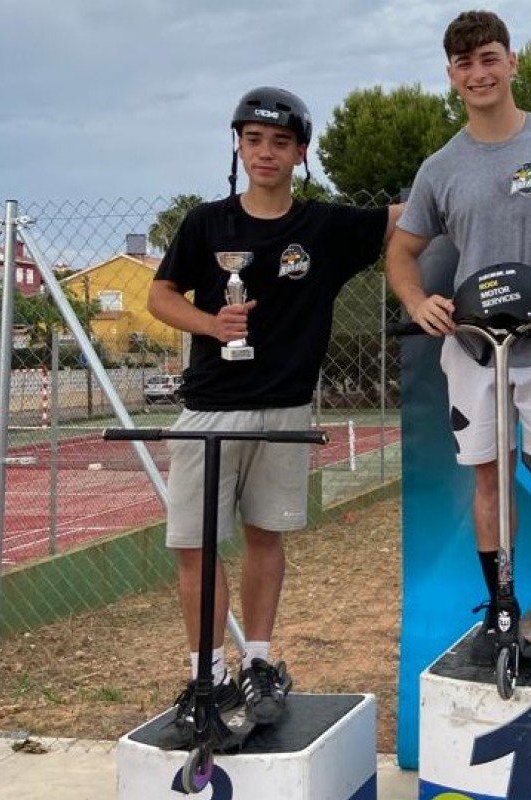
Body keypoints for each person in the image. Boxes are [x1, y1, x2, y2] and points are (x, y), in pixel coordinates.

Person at [147, 86, 399, 749]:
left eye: (280, 142)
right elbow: (158, 294)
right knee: (195, 546)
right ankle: (207, 674)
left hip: (286, 408)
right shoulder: (205, 223)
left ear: (300, 153)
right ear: (238, 144)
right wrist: (211, 322)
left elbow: (409, 216)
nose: (266, 153)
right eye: (254, 140)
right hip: (208, 407)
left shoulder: (325, 226)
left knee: (266, 537)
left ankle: (258, 662)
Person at [385, 10, 531, 668]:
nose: (478, 73)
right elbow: (402, 254)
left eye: (488, 58)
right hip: (474, 347)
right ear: (451, 77)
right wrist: (416, 298)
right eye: (464, 64)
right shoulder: (440, 168)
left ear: (512, 62)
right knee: (488, 481)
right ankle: (502, 606)